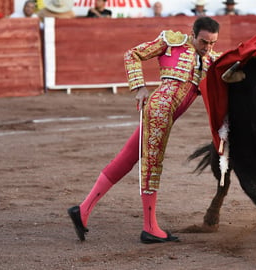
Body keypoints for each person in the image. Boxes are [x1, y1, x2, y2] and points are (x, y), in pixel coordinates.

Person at [67, 16, 221, 244]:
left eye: (212, 43)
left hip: (166, 116)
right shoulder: (172, 42)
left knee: (126, 159)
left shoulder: (211, 61)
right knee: (152, 164)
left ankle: (82, 210)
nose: (207, 48)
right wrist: (139, 87)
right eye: (203, 42)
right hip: (159, 111)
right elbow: (132, 54)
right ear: (193, 34)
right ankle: (150, 227)